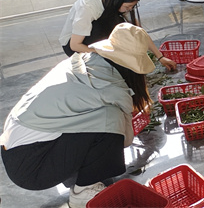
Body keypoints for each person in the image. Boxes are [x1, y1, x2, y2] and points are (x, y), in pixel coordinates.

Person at [1, 23, 156, 208]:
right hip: (33, 168)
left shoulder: (82, 60)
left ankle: (76, 175)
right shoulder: (112, 90)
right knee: (111, 121)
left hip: (13, 147)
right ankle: (83, 192)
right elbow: (125, 139)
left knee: (100, 120)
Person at [58, 0, 176, 71]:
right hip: (75, 46)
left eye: (132, 7)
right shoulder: (88, 7)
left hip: (97, 40)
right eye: (127, 7)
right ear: (117, 1)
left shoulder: (118, 5)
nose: (129, 10)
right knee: (111, 29)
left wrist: (160, 57)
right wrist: (109, 53)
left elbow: (139, 33)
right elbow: (75, 45)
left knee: (125, 29)